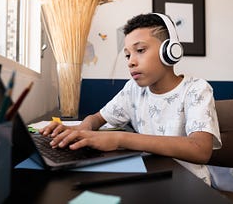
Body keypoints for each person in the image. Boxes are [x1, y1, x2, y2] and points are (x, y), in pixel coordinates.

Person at [40, 13, 222, 185]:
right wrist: (81, 128)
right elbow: (98, 118)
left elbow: (201, 149)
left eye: (140, 50)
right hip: (152, 179)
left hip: (190, 186)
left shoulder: (196, 89)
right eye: (127, 55)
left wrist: (121, 139)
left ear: (170, 51)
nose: (130, 62)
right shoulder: (133, 90)